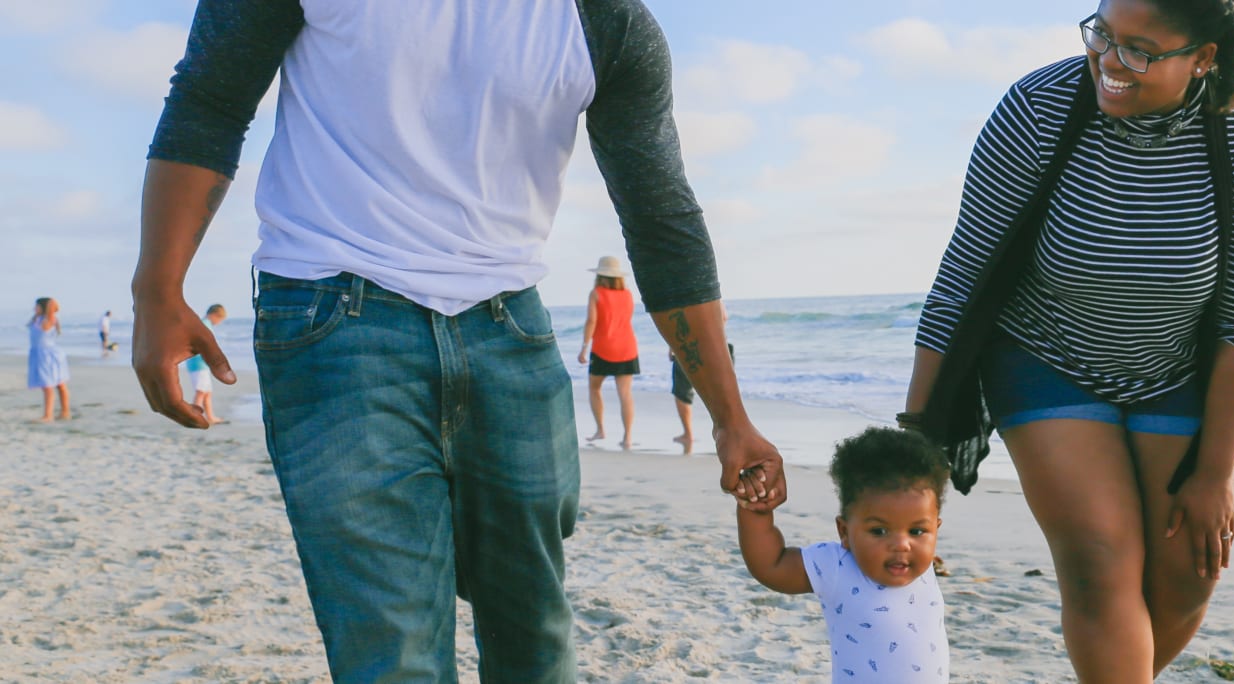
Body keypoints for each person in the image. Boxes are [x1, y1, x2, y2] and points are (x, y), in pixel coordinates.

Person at [132, 1, 786, 681]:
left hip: (511, 326)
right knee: (391, 645)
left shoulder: (605, 21)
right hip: (332, 316)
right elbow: (210, 99)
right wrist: (157, 288)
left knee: (533, 625)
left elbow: (659, 216)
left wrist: (728, 417)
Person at [902, 0, 1234, 680]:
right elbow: (963, 276)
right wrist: (915, 442)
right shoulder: (1040, 108)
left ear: (1204, 57)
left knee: (1187, 576)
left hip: (1174, 372)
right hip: (1041, 355)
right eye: (1104, 35)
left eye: (1142, 50)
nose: (1110, 63)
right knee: (1100, 559)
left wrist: (1213, 475)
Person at [736, 427, 950, 682]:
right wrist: (755, 509)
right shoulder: (837, 566)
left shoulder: (922, 566)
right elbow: (771, 565)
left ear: (935, 528)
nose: (902, 545)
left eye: (917, 531)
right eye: (879, 531)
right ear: (844, 531)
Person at [579, 256, 640, 450]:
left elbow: (591, 321)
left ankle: (600, 429)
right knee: (625, 393)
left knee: (594, 388)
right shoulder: (628, 294)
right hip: (628, 347)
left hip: (603, 348)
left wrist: (584, 346)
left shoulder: (596, 293)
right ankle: (628, 437)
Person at [669, 340, 733, 453]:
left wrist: (672, 346)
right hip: (719, 345)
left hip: (688, 344)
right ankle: (727, 433)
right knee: (721, 391)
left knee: (682, 391)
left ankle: (688, 434)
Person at [180, 304, 228, 424]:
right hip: (198, 363)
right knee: (201, 391)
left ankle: (210, 417)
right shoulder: (204, 325)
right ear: (215, 315)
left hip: (201, 363)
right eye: (220, 320)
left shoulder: (203, 324)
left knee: (207, 392)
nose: (219, 323)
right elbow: (205, 345)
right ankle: (194, 416)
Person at [28, 297, 72, 422]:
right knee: (54, 384)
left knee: (53, 385)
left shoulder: (50, 319)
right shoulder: (37, 319)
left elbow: (54, 310)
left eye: (37, 306)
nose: (34, 308)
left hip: (49, 356)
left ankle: (52, 414)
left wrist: (50, 304)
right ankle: (63, 412)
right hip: (39, 354)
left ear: (44, 308)